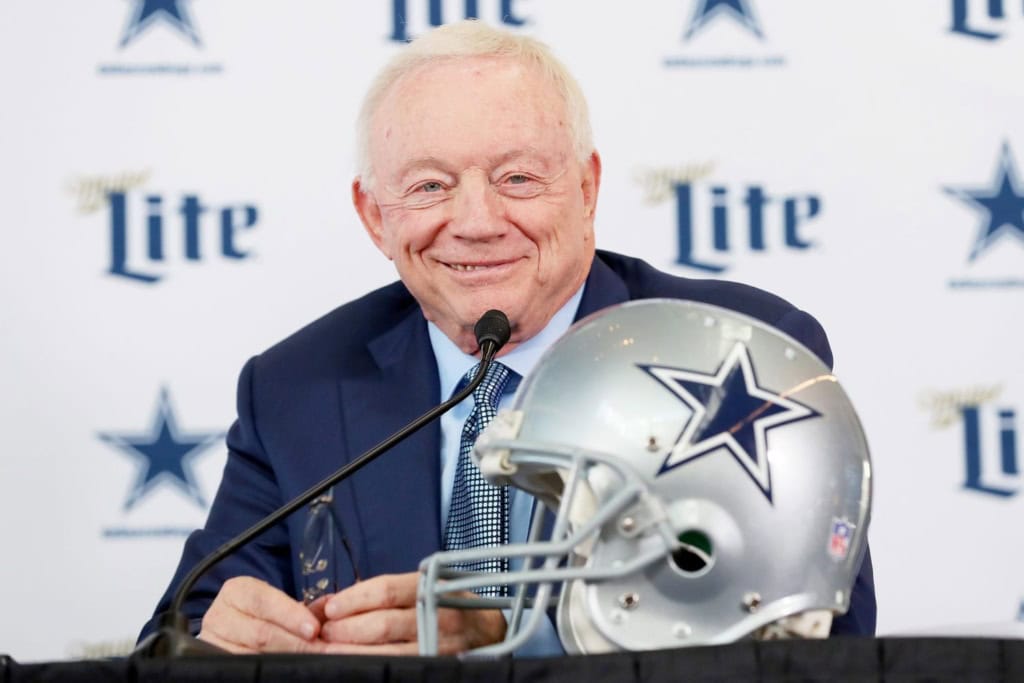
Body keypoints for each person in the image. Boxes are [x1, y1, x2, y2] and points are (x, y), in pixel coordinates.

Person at [141, 19, 875, 655]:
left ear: (587, 190)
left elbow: (817, 634)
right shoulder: (295, 388)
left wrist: (514, 631)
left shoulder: (738, 350)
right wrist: (220, 635)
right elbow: (172, 634)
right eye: (429, 186)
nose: (477, 220)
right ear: (374, 216)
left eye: (518, 178)